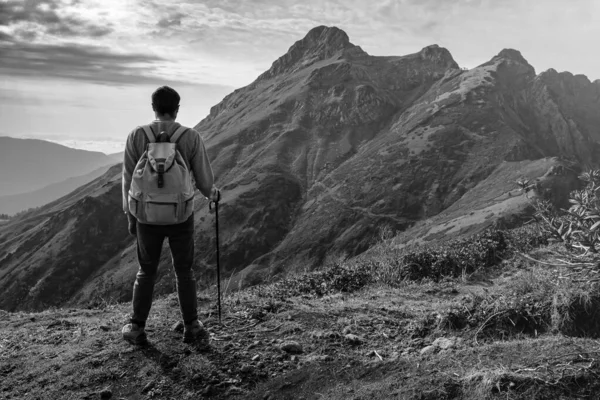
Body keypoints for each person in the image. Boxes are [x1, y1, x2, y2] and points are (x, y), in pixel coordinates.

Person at [121, 86, 220, 345]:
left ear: (153, 107)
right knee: (184, 270)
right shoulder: (190, 137)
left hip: (145, 215)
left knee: (146, 271)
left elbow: (128, 180)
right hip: (180, 215)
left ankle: (136, 326)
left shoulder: (136, 136)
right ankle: (192, 325)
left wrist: (131, 215)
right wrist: (213, 194)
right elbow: (204, 181)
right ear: (177, 109)